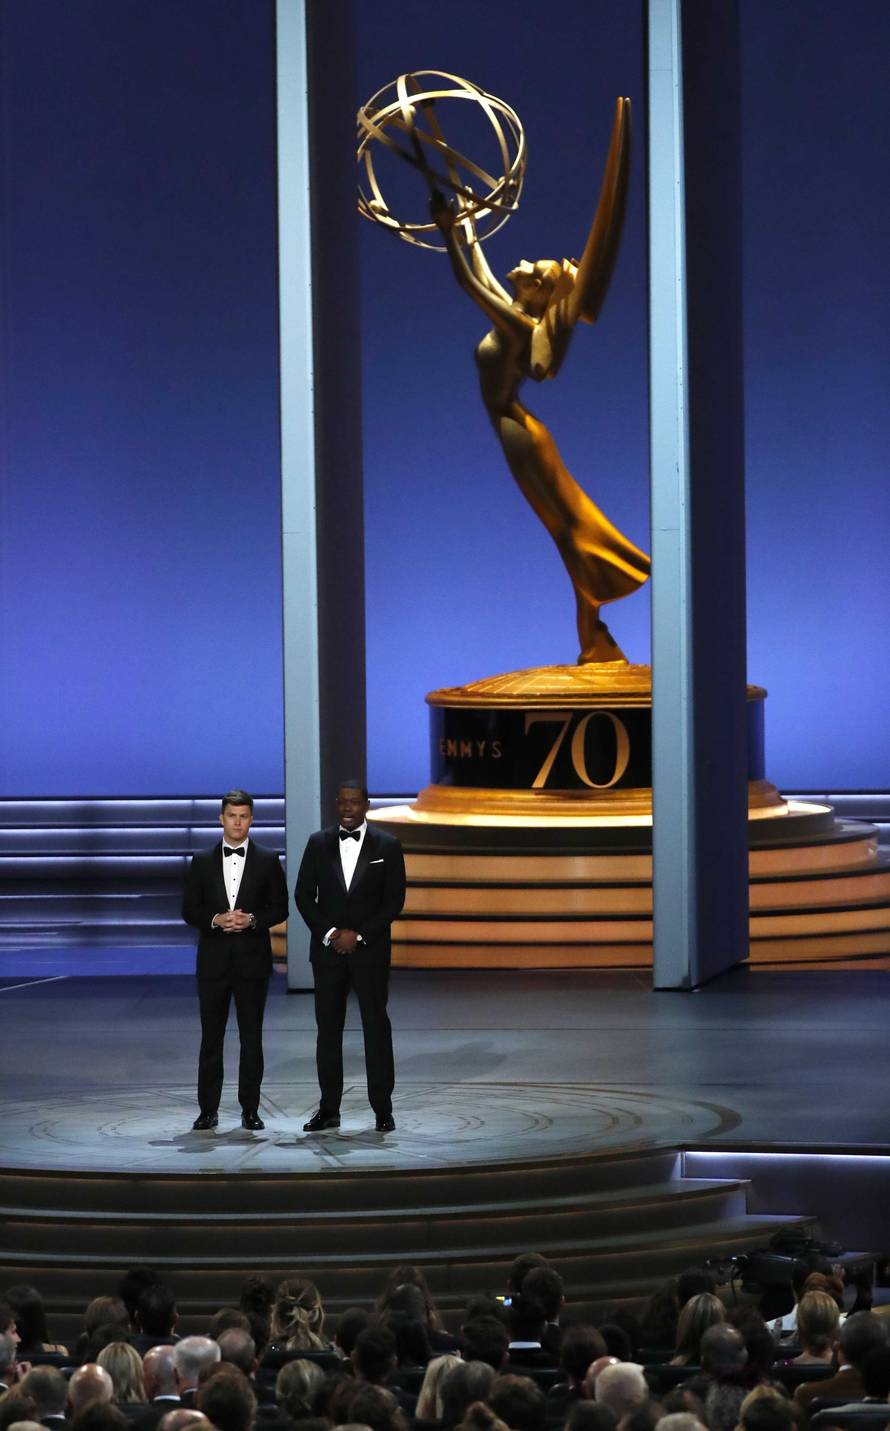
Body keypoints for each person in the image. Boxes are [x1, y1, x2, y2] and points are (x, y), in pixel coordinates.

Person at [425, 98, 649, 665]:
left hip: (521, 436)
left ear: (538, 296)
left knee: (568, 533)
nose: (523, 265)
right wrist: (467, 224)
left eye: (536, 273)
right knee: (566, 533)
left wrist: (452, 230)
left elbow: (469, 284)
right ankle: (593, 636)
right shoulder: (517, 314)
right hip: (521, 431)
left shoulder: (518, 325)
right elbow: (481, 272)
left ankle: (594, 629)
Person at [295, 780, 406, 1133]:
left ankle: (382, 1109)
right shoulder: (317, 843)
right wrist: (330, 934)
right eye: (341, 802)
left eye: (354, 802)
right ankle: (329, 1109)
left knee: (376, 1028)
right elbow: (302, 895)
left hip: (369, 953)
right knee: (328, 1032)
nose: (347, 808)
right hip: (327, 955)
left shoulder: (387, 845)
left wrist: (358, 936)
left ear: (366, 805)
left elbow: (394, 901)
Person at [182, 789, 288, 1131]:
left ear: (252, 820)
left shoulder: (268, 860)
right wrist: (215, 919)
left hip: (252, 964)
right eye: (232, 816)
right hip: (213, 963)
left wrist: (252, 920)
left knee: (251, 1039)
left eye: (243, 816)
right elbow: (189, 909)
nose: (237, 822)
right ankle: (207, 1110)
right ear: (221, 819)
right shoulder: (201, 861)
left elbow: (280, 907)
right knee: (211, 1038)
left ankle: (250, 1109)